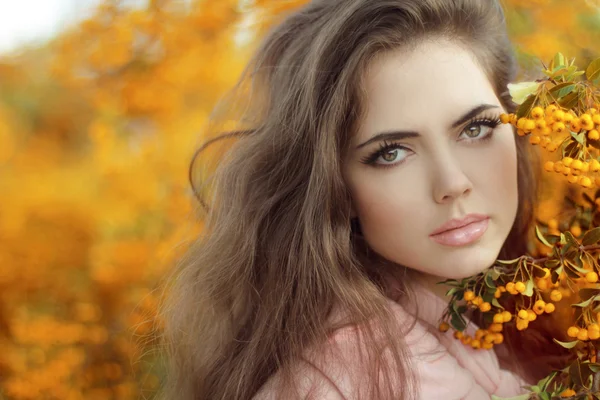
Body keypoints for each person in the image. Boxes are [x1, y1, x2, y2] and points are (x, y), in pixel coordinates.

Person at [158, 0, 542, 398]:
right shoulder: (338, 382)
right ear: (336, 189)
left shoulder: (527, 315)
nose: (452, 182)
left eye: (476, 128)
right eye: (391, 152)